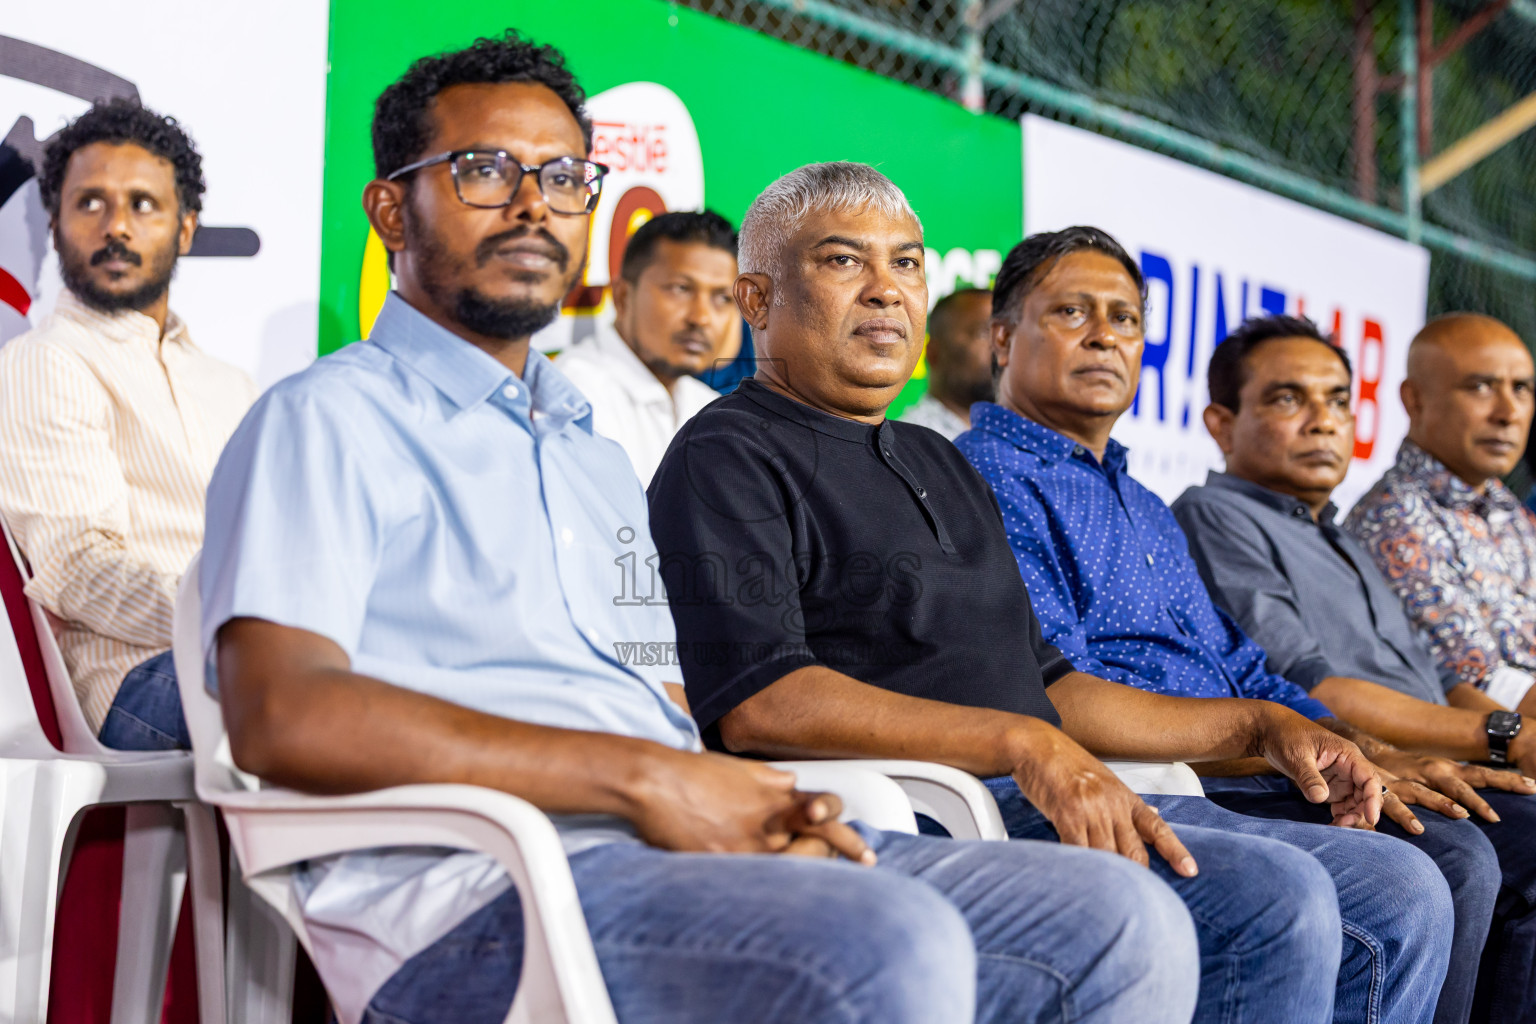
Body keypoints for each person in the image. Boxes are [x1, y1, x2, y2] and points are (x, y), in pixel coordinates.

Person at [200, 36, 1205, 1024]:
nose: (530, 205)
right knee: (888, 936)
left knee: (1120, 919)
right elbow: (282, 714)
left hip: (677, 845)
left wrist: (755, 800)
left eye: (561, 178)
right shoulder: (327, 417)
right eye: (482, 171)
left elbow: (668, 692)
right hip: (483, 894)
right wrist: (646, 779)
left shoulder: (587, 451)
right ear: (389, 207)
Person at [648, 162, 1454, 1024]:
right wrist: (1026, 746)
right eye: (845, 262)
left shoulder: (939, 460)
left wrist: (1262, 726)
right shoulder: (724, 454)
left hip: (1039, 779)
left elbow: (1057, 686)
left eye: (909, 264)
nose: (887, 291)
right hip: (918, 804)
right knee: (1270, 894)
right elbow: (761, 703)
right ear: (758, 298)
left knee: (1403, 886)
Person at [954, 225, 1509, 1024]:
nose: (1106, 334)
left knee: (1454, 839)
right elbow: (1048, 690)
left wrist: (1367, 749)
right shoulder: (987, 475)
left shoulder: (1139, 498)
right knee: (1433, 866)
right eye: (1072, 312)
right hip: (1156, 775)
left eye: (1125, 318)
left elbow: (1241, 663)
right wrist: (1272, 738)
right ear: (1004, 339)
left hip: (1243, 763)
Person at [1174, 312, 1536, 1023]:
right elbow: (1316, 688)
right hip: (1330, 764)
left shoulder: (1340, 537)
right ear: (1221, 423)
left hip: (1421, 756)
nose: (1323, 422)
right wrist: (1501, 735)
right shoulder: (1215, 516)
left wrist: (1504, 733)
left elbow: (1434, 684)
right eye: (1288, 399)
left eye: (1338, 400)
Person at [0, 98, 256, 749]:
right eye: (90, 203)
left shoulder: (233, 386)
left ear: (187, 228)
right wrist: (246, 627)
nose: (117, 226)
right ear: (53, 226)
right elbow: (79, 569)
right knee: (346, 693)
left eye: (144, 204)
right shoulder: (42, 362)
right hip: (132, 682)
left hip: (241, 659)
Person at [1345, 314, 1536, 718]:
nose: (1508, 412)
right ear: (1414, 399)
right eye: (1480, 386)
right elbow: (1479, 682)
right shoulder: (1393, 519)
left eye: (1521, 388)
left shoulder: (1506, 510)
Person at [556, 210, 731, 483]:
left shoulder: (708, 405)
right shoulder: (576, 398)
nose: (701, 317)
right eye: (680, 289)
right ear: (623, 296)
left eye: (722, 298)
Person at [898, 287, 994, 440]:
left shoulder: (1016, 437)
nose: (1001, 348)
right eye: (984, 333)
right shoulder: (912, 442)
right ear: (934, 353)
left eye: (1006, 334)